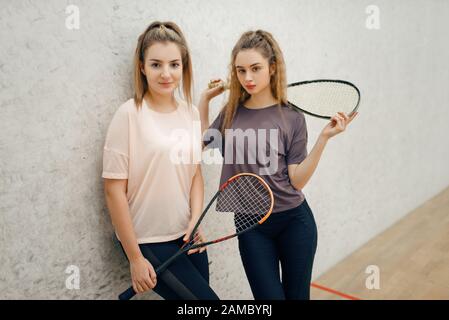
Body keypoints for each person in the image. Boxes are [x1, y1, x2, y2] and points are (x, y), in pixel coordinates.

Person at [199, 29, 357, 300]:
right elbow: (204, 143)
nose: (247, 78)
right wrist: (204, 100)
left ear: (272, 68)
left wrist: (323, 140)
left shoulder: (292, 117)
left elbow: (296, 181)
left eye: (255, 68)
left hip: (294, 221)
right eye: (240, 70)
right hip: (250, 224)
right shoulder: (231, 112)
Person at [102, 21, 219, 300]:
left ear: (183, 67)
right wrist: (134, 257)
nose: (166, 74)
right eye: (156, 65)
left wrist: (194, 221)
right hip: (147, 241)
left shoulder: (190, 113)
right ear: (142, 67)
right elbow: (113, 190)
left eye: (174, 65)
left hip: (187, 237)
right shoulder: (129, 114)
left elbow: (195, 175)